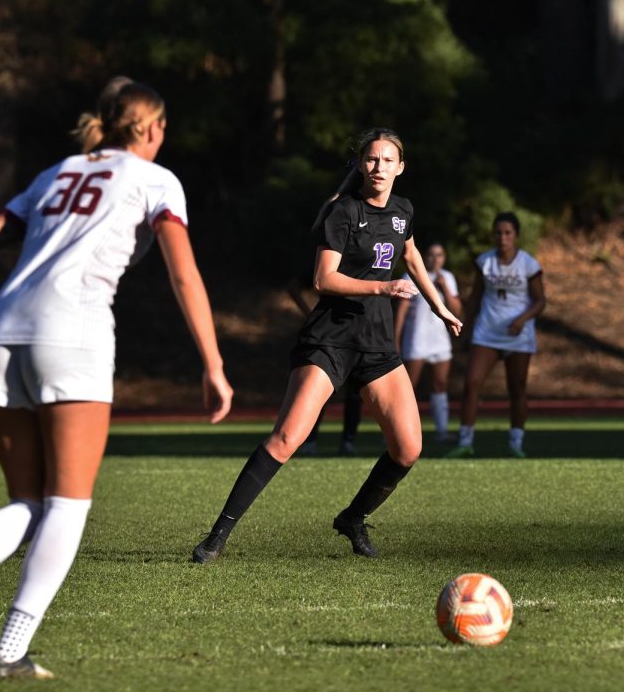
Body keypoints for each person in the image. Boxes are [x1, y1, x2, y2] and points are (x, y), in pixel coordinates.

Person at [0, 77, 233, 680]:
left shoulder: (57, 171)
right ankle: (9, 652)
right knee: (67, 504)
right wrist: (212, 363)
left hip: (1, 328)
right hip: (72, 331)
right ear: (154, 128)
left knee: (29, 501)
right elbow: (184, 275)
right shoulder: (156, 179)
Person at [191, 127, 461, 563]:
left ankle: (353, 518)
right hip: (330, 339)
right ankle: (216, 536)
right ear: (360, 164)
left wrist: (439, 306)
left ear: (400, 168)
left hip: (375, 346)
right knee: (286, 438)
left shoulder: (403, 211)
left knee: (409, 448)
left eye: (387, 160)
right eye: (371, 159)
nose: (378, 167)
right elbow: (323, 279)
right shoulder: (342, 211)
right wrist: (382, 289)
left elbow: (410, 258)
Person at [446, 212, 546, 459]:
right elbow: (476, 297)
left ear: (516, 236)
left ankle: (516, 443)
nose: (503, 238)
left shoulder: (528, 264)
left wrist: (522, 320)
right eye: (498, 233)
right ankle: (465, 441)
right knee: (472, 383)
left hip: (518, 335)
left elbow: (540, 301)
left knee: (517, 388)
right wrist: (464, 326)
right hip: (487, 332)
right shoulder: (485, 262)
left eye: (508, 233)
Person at [285, 273, 364, 457]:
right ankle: (310, 441)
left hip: (360, 336)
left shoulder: (369, 254)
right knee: (318, 394)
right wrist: (309, 314)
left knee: (354, 394)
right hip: (329, 337)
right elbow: (295, 286)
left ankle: (348, 441)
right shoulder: (329, 255)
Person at [393, 242, 463, 442]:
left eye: (440, 255)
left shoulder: (448, 277)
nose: (436, 259)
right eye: (431, 255)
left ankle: (441, 430)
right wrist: (396, 339)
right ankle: (399, 432)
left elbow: (457, 311)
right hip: (416, 340)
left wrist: (445, 289)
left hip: (440, 340)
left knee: (440, 384)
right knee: (409, 387)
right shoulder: (411, 276)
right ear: (424, 256)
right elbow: (401, 312)